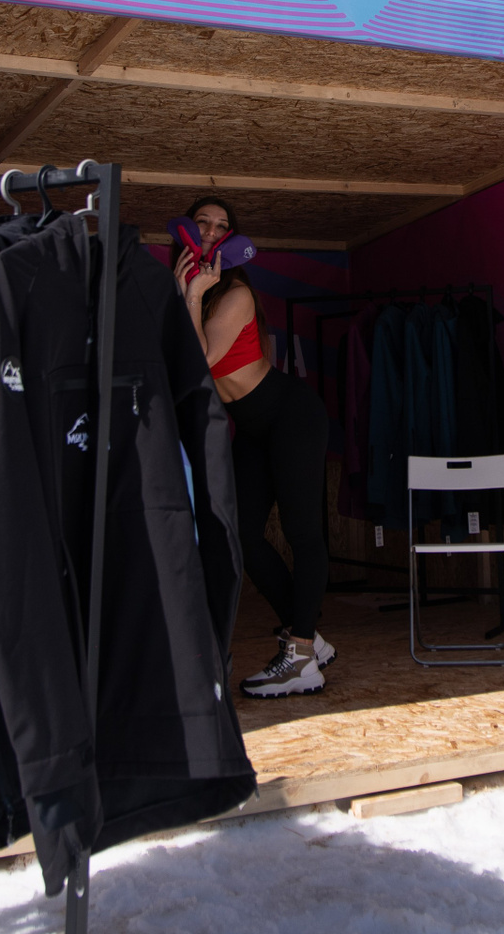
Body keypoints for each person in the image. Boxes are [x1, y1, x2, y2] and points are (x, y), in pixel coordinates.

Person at [173, 196, 334, 697]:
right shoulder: (186, 290)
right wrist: (185, 293)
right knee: (239, 534)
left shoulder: (235, 293)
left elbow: (198, 361)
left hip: (290, 416)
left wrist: (192, 294)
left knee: (302, 531)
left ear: (231, 240)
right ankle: (307, 636)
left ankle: (301, 658)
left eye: (221, 226)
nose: (211, 232)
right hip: (251, 427)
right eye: (202, 223)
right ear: (186, 232)